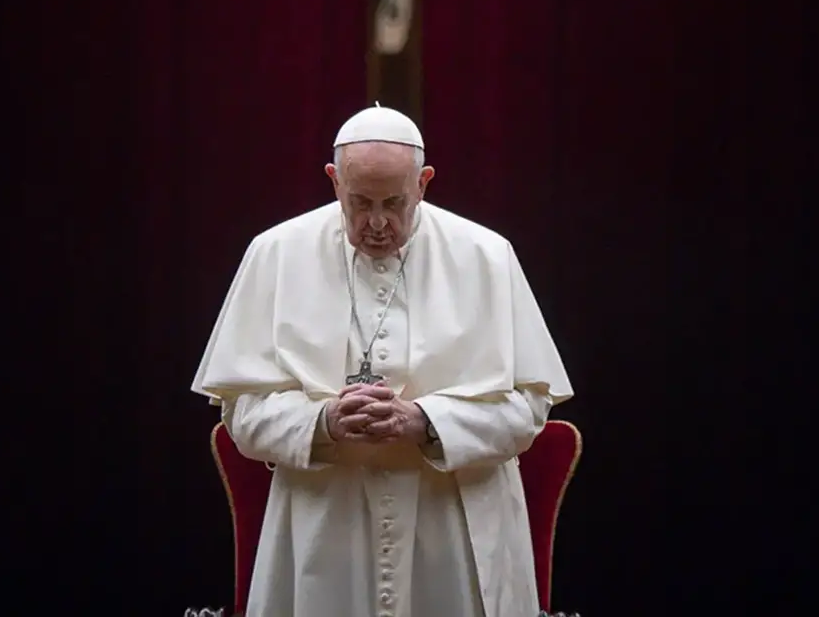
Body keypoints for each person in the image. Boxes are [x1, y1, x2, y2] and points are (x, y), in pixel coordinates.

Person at [191, 104, 574, 617]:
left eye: (394, 203)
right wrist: (321, 422)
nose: (376, 223)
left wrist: (427, 422)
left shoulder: (487, 255)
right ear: (334, 181)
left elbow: (528, 410)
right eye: (359, 203)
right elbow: (241, 413)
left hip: (452, 533)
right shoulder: (275, 253)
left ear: (424, 183)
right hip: (324, 531)